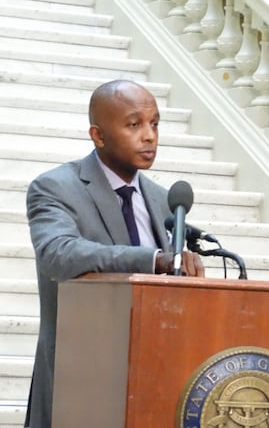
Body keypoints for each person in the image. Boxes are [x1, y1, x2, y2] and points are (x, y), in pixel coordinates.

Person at [23, 79, 205, 428]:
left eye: (155, 123)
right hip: (80, 385)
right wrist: (152, 260)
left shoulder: (163, 199)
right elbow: (57, 254)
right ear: (98, 135)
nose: (149, 135)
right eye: (134, 124)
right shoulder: (56, 187)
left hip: (154, 384)